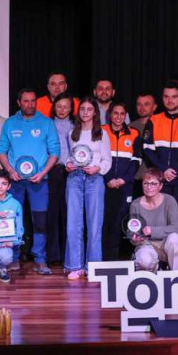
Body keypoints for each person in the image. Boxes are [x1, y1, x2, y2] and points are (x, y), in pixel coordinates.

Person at [0, 88, 60, 275]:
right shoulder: (10, 123)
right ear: (19, 103)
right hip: (16, 181)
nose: (30, 104)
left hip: (39, 181)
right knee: (13, 220)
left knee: (40, 222)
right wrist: (10, 171)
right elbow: (1, 150)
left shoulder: (46, 123)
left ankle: (40, 259)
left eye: (33, 101)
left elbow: (55, 152)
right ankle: (14, 258)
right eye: (26, 101)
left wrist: (43, 173)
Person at [141, 81, 178, 241]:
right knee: (160, 222)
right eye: (166, 97)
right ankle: (159, 263)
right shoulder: (154, 120)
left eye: (174, 97)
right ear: (162, 98)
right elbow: (147, 150)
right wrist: (163, 170)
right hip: (161, 181)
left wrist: (175, 171)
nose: (170, 100)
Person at [62, 97, 111, 280]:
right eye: (82, 109)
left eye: (89, 109)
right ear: (78, 111)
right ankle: (75, 265)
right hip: (74, 178)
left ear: (95, 113)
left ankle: (93, 267)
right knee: (73, 223)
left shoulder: (102, 134)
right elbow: (70, 156)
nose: (85, 112)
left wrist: (98, 168)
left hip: (94, 179)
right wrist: (68, 164)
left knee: (94, 223)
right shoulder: (71, 133)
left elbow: (107, 160)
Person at [102, 101, 142, 262]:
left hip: (125, 186)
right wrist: (108, 178)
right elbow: (98, 158)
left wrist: (123, 180)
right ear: (110, 115)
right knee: (104, 222)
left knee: (120, 222)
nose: (118, 117)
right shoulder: (102, 132)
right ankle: (102, 260)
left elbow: (136, 161)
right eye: (115, 113)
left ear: (125, 116)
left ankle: (114, 260)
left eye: (122, 114)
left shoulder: (134, 134)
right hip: (105, 184)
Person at [129, 168, 178, 272]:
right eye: (146, 183)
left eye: (153, 184)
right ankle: (157, 269)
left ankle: (175, 275)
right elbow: (133, 230)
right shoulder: (135, 204)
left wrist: (152, 231)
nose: (149, 187)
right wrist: (135, 239)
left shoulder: (169, 201)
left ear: (160, 186)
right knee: (144, 261)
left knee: (175, 239)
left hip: (166, 243)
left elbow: (177, 227)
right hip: (146, 244)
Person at [46, 92, 75, 268]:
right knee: (51, 213)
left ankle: (67, 254)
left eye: (66, 106)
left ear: (71, 108)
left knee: (68, 214)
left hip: (70, 172)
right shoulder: (47, 124)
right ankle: (52, 254)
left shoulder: (76, 125)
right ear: (54, 107)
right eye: (59, 106)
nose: (62, 109)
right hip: (51, 172)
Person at [130, 92, 158, 199]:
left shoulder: (160, 125)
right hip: (135, 178)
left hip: (155, 180)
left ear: (154, 107)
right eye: (139, 104)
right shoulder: (130, 127)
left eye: (146, 104)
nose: (142, 107)